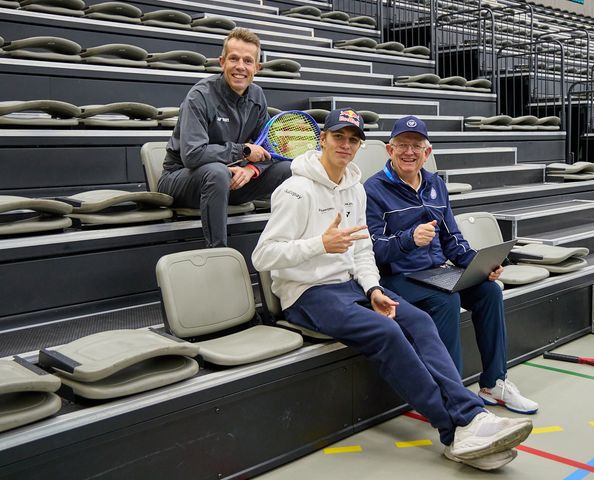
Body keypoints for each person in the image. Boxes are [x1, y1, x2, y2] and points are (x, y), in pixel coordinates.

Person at [252, 108, 532, 471]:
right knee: (388, 331)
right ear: (323, 139)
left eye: (353, 140)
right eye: (339, 137)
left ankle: (472, 415)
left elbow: (363, 250)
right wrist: (320, 244)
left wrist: (372, 289)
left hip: (352, 284)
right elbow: (263, 256)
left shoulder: (353, 187)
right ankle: (455, 429)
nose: (346, 145)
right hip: (308, 293)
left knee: (417, 321)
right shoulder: (295, 190)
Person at [363, 116, 538, 415]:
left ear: (427, 153)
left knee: (489, 291)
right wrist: (408, 239)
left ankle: (494, 382)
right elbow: (372, 250)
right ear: (389, 150)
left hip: (435, 273)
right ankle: (451, 395)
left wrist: (482, 266)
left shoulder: (435, 184)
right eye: (402, 145)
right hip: (395, 278)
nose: (409, 152)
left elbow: (453, 240)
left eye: (416, 146)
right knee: (446, 300)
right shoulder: (372, 189)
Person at [158, 27, 291, 247]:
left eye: (248, 61)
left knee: (288, 169)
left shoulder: (257, 96)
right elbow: (193, 155)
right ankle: (218, 253)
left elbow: (267, 148)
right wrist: (243, 151)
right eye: (234, 59)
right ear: (222, 62)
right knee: (217, 172)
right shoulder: (199, 96)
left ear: (256, 68)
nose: (240, 67)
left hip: (231, 180)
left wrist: (251, 170)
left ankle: (285, 245)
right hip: (182, 178)